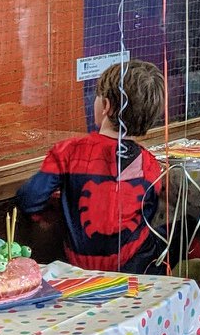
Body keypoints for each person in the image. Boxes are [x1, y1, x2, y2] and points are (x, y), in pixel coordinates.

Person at [16, 60, 166, 272]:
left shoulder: (68, 151)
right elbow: (146, 217)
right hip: (136, 269)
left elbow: (29, 198)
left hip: (80, 267)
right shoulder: (150, 165)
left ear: (106, 106)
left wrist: (49, 216)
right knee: (177, 229)